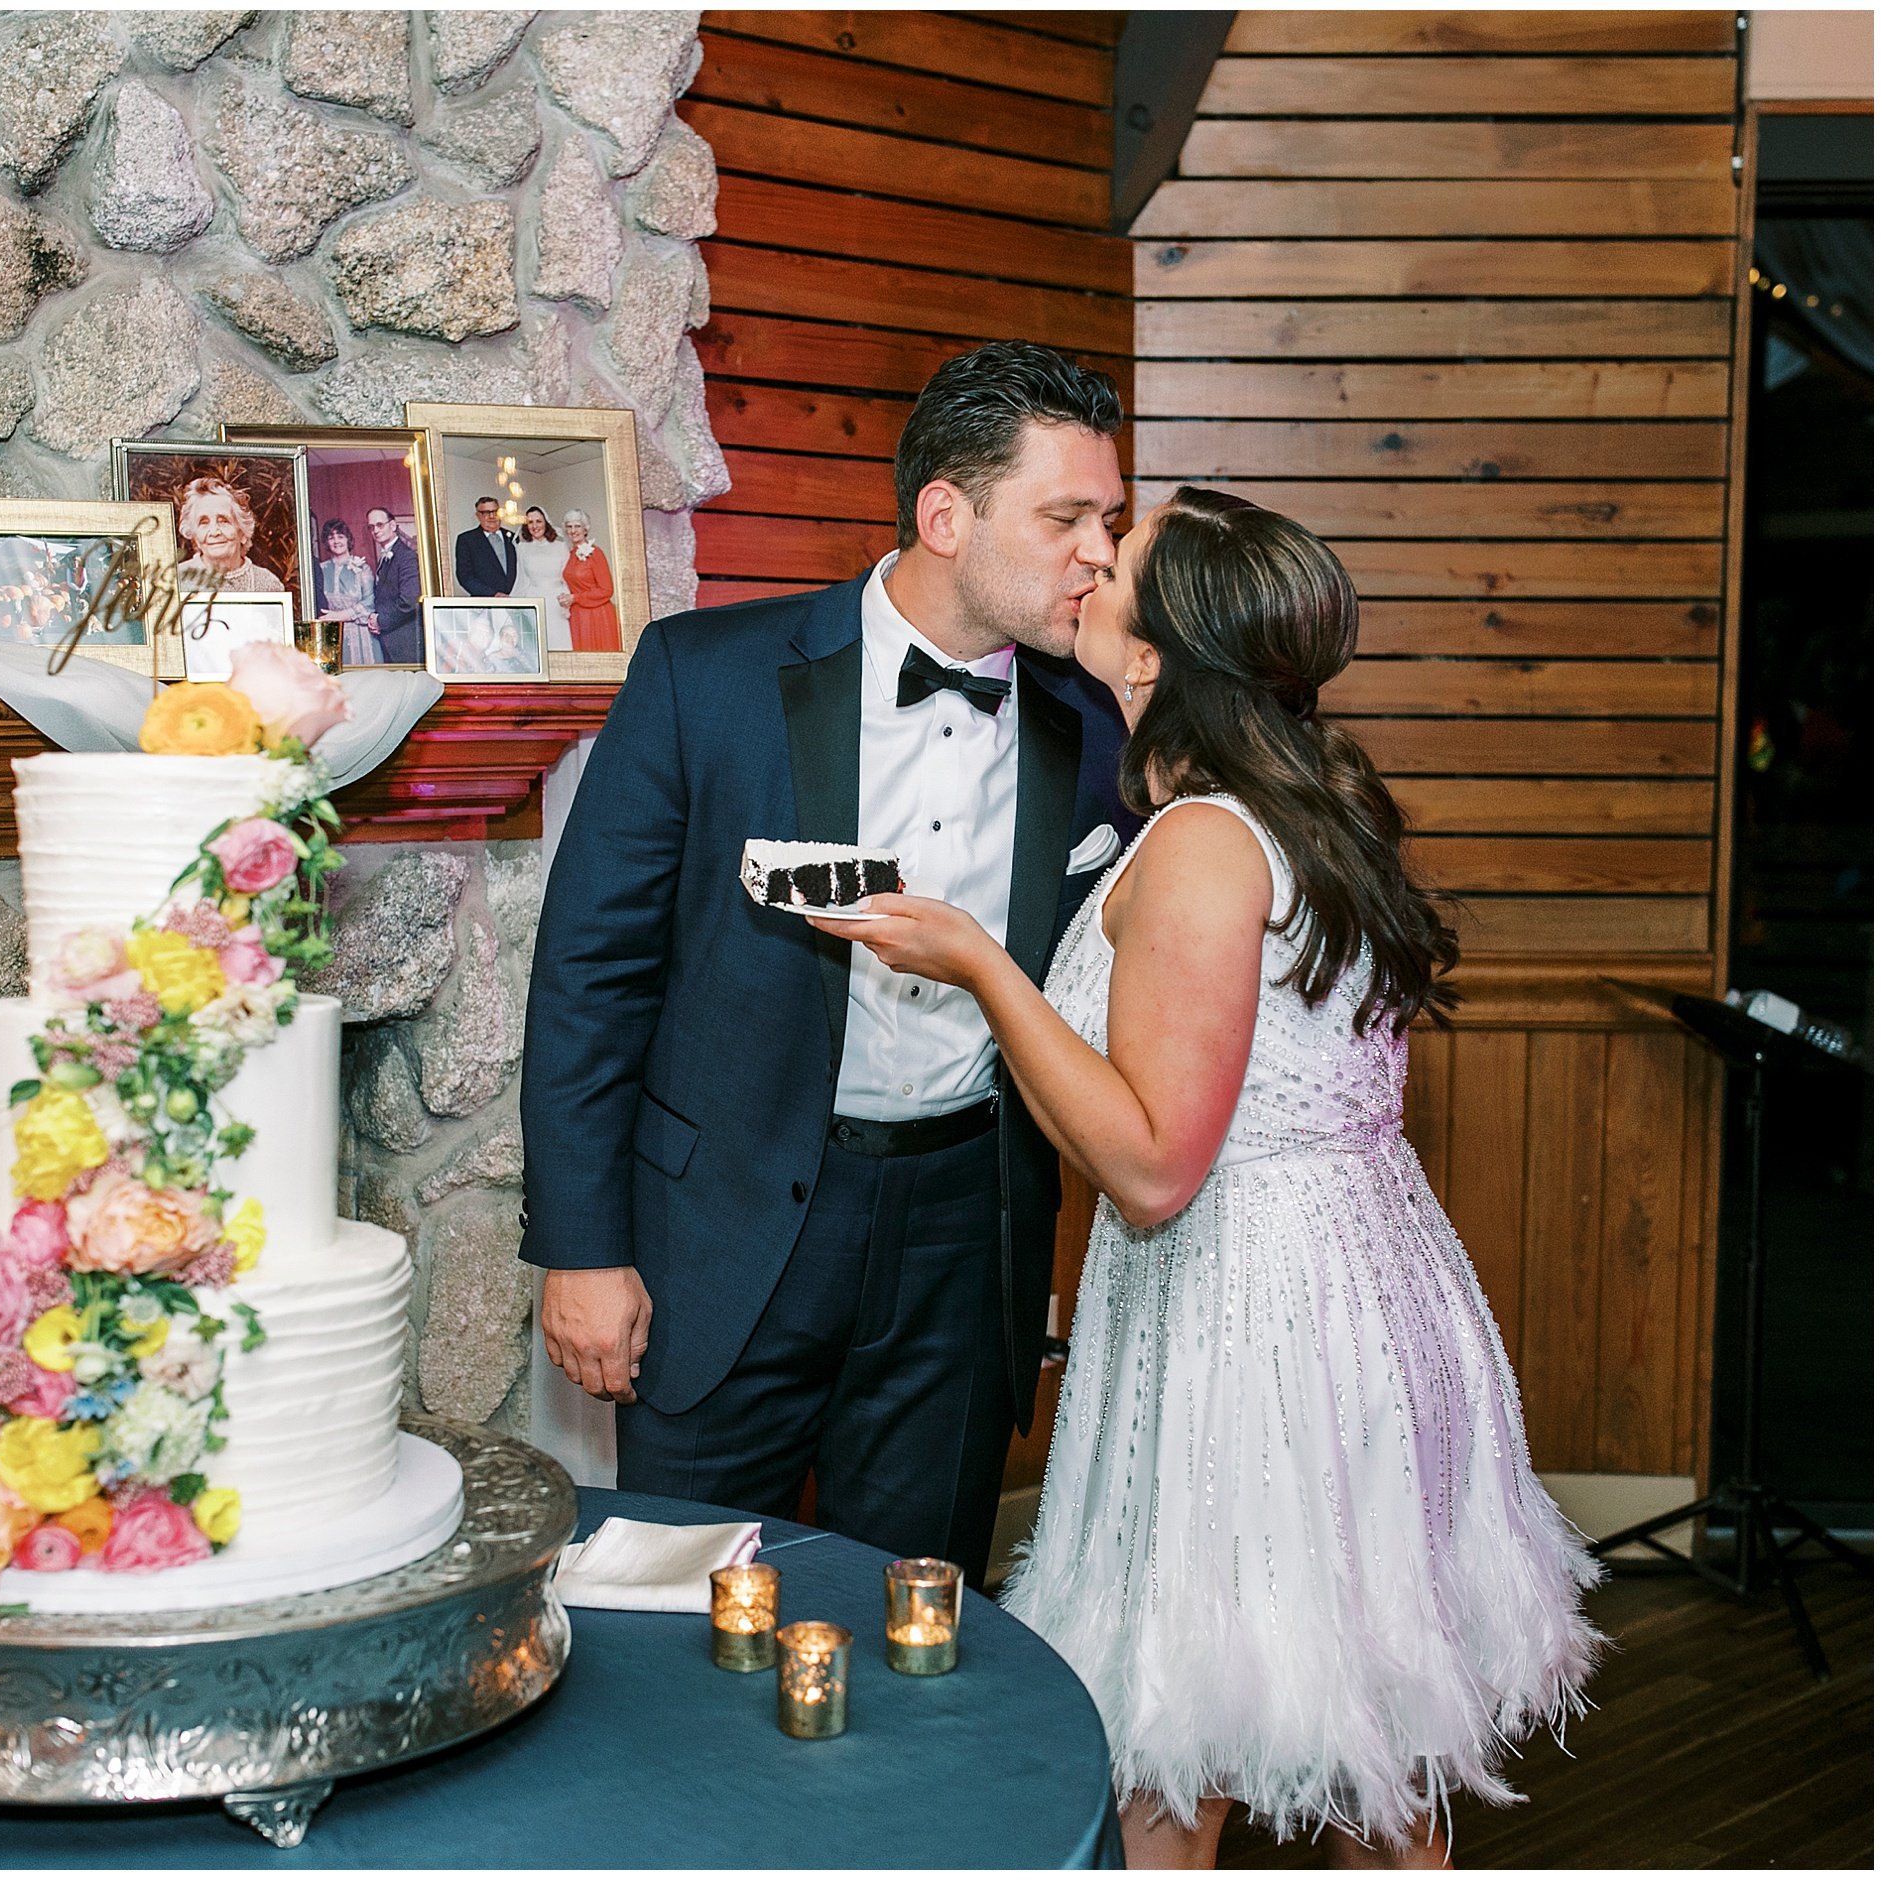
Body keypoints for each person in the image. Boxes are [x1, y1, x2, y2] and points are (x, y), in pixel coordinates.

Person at [813, 489, 1600, 1868]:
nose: (1087, 564)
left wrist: (985, 969)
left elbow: (1156, 1168)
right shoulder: (1307, 812)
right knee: (1374, 1749)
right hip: (1363, 1289)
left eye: (1118, 562)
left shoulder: (1202, 843)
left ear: (1156, 654)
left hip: (1255, 1319)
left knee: (1175, 1761)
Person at [520, 342, 1136, 1579]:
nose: (1101, 554)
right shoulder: (708, 677)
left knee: (918, 1610)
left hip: (966, 1239)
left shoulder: (1099, 722)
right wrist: (584, 1248)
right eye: (1067, 516)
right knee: (680, 1605)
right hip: (724, 1220)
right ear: (945, 514)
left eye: (1110, 523)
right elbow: (590, 971)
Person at [176, 478, 287, 595]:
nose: (214, 532)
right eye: (203, 522)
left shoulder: (268, 584)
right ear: (194, 536)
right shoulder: (174, 581)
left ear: (243, 532)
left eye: (224, 521)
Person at [314, 517, 380, 665]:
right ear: (326, 542)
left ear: (348, 539)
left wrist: (340, 615)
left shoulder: (362, 568)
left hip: (361, 635)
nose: (336, 541)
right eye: (331, 537)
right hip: (332, 634)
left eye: (340, 536)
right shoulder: (320, 569)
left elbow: (370, 602)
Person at [367, 506, 423, 664]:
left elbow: (410, 601)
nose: (375, 530)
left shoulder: (407, 556)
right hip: (391, 638)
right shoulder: (385, 556)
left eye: (380, 525)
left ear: (392, 525)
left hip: (405, 641)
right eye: (371, 527)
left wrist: (380, 620)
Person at [559, 510, 619, 651]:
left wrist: (575, 597)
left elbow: (607, 590)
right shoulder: (570, 554)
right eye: (569, 526)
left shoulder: (595, 553)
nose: (573, 531)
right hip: (578, 616)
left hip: (597, 616)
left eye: (577, 526)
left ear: (585, 528)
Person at [512, 506, 571, 649]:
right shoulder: (522, 548)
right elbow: (521, 577)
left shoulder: (560, 546)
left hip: (556, 599)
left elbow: (568, 575)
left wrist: (568, 600)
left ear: (546, 522)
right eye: (530, 522)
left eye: (538, 521)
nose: (534, 526)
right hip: (534, 598)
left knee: (558, 640)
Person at [453, 494, 518, 597]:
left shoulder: (513, 538)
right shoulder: (467, 540)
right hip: (484, 605)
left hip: (516, 601)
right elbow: (465, 577)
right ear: (478, 516)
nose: (492, 516)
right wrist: (493, 594)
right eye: (486, 513)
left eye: (495, 511)